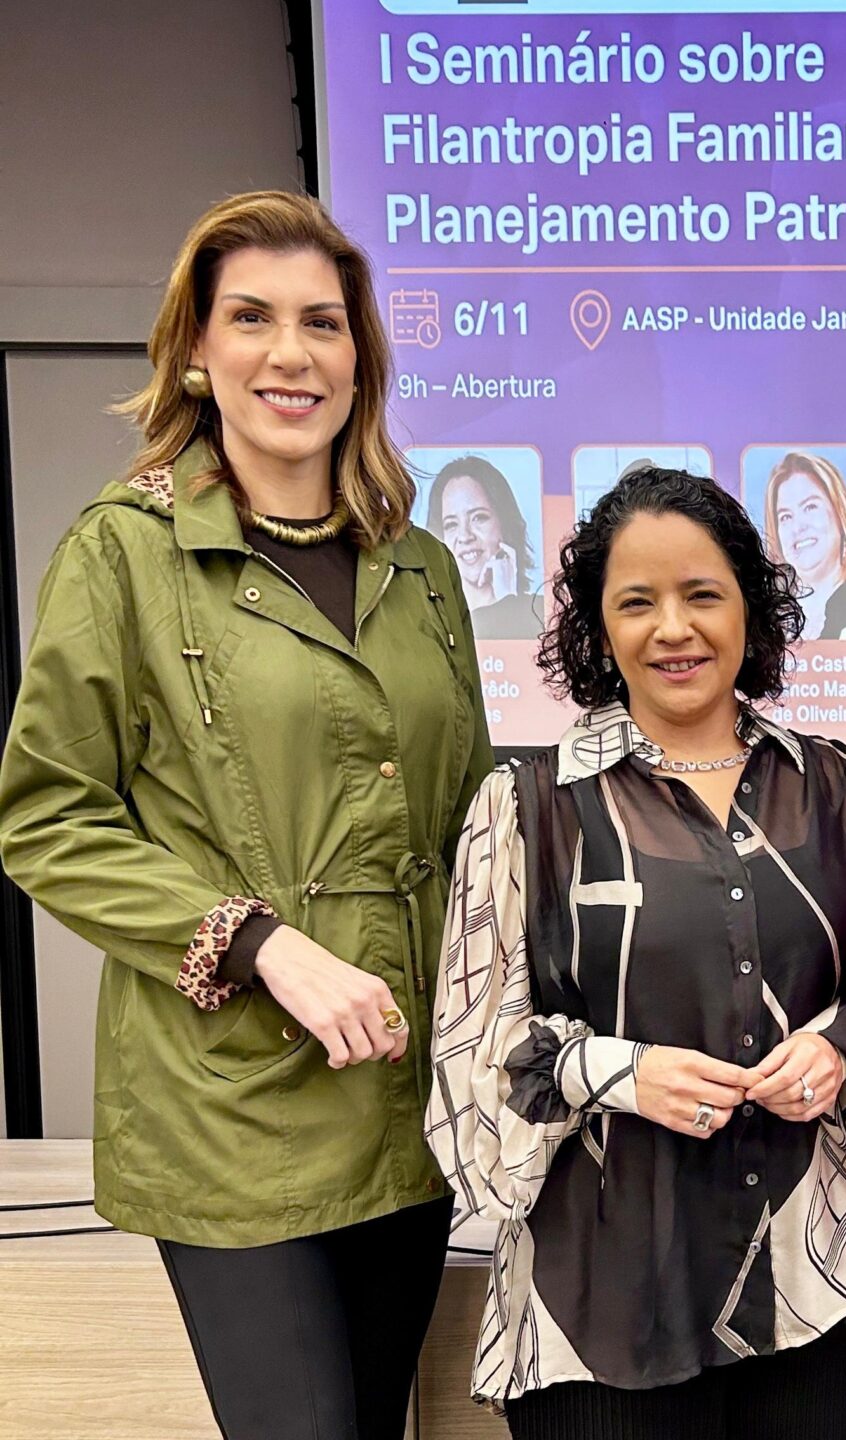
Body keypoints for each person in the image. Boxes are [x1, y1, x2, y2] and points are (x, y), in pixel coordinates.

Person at [0, 191, 492, 1440]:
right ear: (194, 351)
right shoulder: (121, 554)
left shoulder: (421, 568)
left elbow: (468, 819)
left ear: (359, 359)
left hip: (406, 1098)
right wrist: (262, 942)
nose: (292, 353)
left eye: (323, 323)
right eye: (252, 319)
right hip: (232, 1104)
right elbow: (47, 819)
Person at [426, 462, 846, 1438]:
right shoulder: (528, 809)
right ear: (598, 628)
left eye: (702, 595)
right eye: (637, 602)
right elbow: (471, 1056)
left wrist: (839, 1048)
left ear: (750, 608)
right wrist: (618, 1073)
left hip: (811, 1278)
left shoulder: (841, 791)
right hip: (600, 1297)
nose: (674, 628)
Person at [761, 450, 846, 640]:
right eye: (785, 517)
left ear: (841, 513)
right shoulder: (762, 614)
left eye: (810, 507)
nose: (798, 527)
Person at [427, 453, 545, 639]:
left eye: (478, 518)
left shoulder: (543, 611)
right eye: (451, 524)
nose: (465, 536)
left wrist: (507, 602)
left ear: (505, 524)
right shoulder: (430, 623)